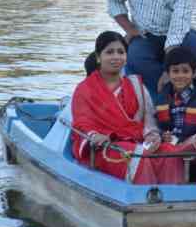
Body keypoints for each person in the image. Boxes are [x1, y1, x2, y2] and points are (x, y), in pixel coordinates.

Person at [71, 31, 184, 184]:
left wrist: (152, 135)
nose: (116, 57)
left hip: (138, 141)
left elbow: (148, 119)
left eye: (121, 52)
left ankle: (172, 198)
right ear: (98, 57)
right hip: (103, 146)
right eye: (109, 52)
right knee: (136, 155)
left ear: (126, 57)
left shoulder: (136, 85)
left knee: (169, 152)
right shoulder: (84, 89)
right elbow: (82, 122)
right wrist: (94, 136)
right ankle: (144, 199)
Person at [155, 47, 196, 145]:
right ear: (168, 74)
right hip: (169, 149)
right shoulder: (161, 99)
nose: (180, 76)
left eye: (185, 71)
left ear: (194, 73)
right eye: (175, 71)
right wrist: (162, 136)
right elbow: (156, 128)